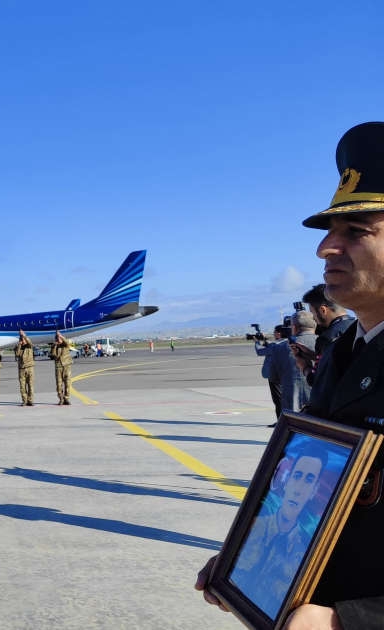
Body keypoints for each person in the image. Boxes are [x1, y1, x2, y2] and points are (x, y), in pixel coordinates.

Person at [198, 122, 384, 630]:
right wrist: (250, 564)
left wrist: (351, 621)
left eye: (356, 231)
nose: (325, 248)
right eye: (329, 230)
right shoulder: (346, 348)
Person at [230, 442, 330, 618]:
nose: (298, 490)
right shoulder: (252, 529)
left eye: (308, 480)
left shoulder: (304, 556)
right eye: (297, 476)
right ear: (287, 480)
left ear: (314, 491)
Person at [273, 311, 318, 416]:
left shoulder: (279, 347)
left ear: (294, 327)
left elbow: (273, 377)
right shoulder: (325, 343)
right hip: (319, 404)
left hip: (292, 406)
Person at [303, 283, 356, 356]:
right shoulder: (360, 326)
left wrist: (306, 363)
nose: (313, 318)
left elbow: (327, 364)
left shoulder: (326, 339)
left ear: (323, 310)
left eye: (312, 313)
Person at [256, 327, 287, 422]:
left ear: (279, 334)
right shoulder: (286, 343)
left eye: (275, 332)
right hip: (285, 374)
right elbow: (271, 347)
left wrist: (257, 342)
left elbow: (260, 352)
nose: (273, 334)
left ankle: (280, 422)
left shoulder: (275, 345)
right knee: (283, 398)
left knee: (278, 399)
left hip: (274, 375)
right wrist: (265, 340)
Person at [50, 331, 73, 405]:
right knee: (59, 385)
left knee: (67, 384)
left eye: (60, 338)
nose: (59, 340)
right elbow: (53, 354)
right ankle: (61, 399)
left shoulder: (65, 345)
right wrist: (55, 345)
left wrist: (61, 336)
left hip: (66, 367)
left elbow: (67, 342)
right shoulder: (54, 346)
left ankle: (67, 399)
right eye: (57, 338)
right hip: (59, 368)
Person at [14, 330, 35, 406]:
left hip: (29, 368)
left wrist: (24, 335)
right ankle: (24, 401)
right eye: (21, 339)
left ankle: (30, 400)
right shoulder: (18, 348)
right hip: (22, 369)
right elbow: (17, 354)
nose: (23, 341)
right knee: (22, 386)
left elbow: (30, 343)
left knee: (30, 385)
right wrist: (19, 345)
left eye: (24, 339)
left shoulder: (29, 347)